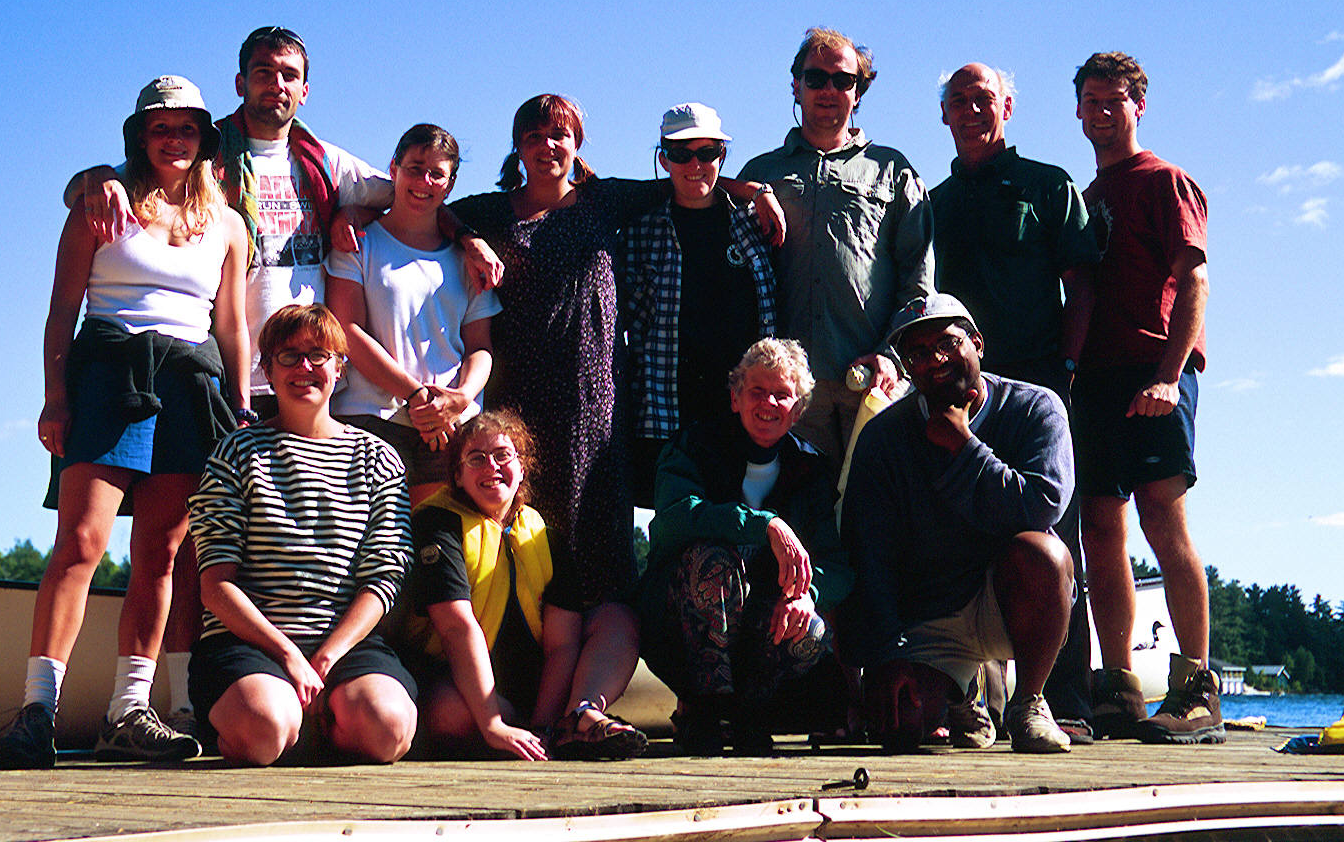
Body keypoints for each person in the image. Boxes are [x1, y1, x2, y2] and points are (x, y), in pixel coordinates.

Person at [65, 28, 497, 727]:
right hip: (217, 371)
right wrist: (90, 177)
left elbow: (413, 194)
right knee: (194, 546)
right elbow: (106, 182)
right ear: (240, 83)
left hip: (310, 377)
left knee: (324, 543)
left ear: (306, 87)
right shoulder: (203, 147)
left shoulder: (326, 161)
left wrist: (464, 232)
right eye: (264, 72)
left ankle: (341, 694)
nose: (277, 85)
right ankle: (184, 699)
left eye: (289, 74)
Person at [447, 94, 784, 752]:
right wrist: (468, 240)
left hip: (599, 419)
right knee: (529, 566)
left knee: (603, 576)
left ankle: (584, 711)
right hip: (518, 419)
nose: (549, 146)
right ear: (518, 146)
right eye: (536, 136)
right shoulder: (491, 211)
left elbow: (687, 179)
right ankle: (522, 707)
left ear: (579, 144)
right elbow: (435, 207)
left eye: (562, 135)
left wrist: (753, 190)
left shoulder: (604, 201)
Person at [0, 76, 251, 769]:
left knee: (161, 553)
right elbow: (61, 311)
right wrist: (55, 397)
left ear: (205, 140)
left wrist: (240, 405)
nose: (174, 140)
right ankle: (37, 711)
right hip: (110, 371)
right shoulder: (100, 202)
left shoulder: (227, 222)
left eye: (186, 128)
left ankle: (128, 710)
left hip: (192, 382)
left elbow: (231, 325)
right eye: (160, 127)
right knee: (80, 541)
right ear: (139, 136)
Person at [928, 62, 1099, 742]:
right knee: (957, 532)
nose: (971, 110)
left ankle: (1065, 700)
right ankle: (970, 699)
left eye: (984, 99)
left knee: (1055, 535)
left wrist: (1067, 369)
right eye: (958, 101)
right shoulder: (933, 201)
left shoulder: (1047, 186)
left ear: (1007, 107)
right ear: (943, 114)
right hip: (957, 392)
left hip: (1036, 387)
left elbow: (1082, 284)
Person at [844, 294, 1075, 755]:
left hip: (1009, 602)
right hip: (930, 617)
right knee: (900, 725)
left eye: (947, 343)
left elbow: (1041, 506)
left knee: (1045, 554)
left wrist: (964, 446)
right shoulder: (882, 436)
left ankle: (1029, 702)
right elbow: (867, 551)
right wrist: (890, 653)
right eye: (917, 354)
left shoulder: (1036, 408)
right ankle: (964, 693)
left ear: (978, 343)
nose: (935, 360)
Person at [187, 304, 416, 766]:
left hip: (345, 646)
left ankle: (320, 725)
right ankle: (275, 725)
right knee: (263, 726)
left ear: (339, 367)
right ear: (268, 371)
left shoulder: (378, 457)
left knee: (389, 728)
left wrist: (327, 657)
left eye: (318, 355)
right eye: (288, 356)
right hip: (248, 646)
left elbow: (383, 579)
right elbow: (215, 586)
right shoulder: (235, 453)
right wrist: (288, 655)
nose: (304, 367)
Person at [1071, 52, 1219, 744]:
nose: (1102, 111)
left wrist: (1168, 375)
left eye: (1115, 100)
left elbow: (1194, 281)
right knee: (1100, 526)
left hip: (1155, 369)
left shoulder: (1166, 181)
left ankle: (1196, 689)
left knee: (1162, 517)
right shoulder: (1087, 197)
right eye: (1091, 101)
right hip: (1096, 377)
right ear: (1078, 111)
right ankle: (1119, 688)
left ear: (1139, 106)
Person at [639, 339, 850, 756]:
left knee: (812, 627)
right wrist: (764, 524)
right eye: (757, 391)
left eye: (782, 394)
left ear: (798, 410)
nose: (769, 403)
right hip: (676, 626)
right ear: (735, 399)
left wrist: (808, 595)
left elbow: (837, 564)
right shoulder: (692, 446)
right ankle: (705, 710)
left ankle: (750, 713)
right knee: (715, 560)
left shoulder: (811, 469)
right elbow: (673, 520)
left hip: (759, 631)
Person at [739, 27, 933, 471]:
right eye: (815, 78)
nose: (828, 89)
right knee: (796, 509)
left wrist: (892, 357)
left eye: (843, 80)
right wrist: (746, 188)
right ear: (796, 86)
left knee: (875, 506)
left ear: (858, 92)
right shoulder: (760, 172)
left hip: (871, 385)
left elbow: (918, 281)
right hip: (785, 391)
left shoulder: (894, 170)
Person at [407, 411, 640, 760]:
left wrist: (543, 724)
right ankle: (519, 729)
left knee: (617, 619)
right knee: (448, 714)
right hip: (458, 676)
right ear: (457, 475)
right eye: (476, 459)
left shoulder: (546, 536)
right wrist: (492, 724)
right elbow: (456, 628)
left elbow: (562, 645)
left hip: (537, 683)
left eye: (502, 455)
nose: (491, 466)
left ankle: (579, 714)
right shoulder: (436, 524)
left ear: (522, 467)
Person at [325, 124, 499, 505]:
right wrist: (415, 396)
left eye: (437, 173)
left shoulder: (467, 261)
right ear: (394, 169)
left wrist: (460, 398)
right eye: (415, 169)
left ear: (450, 184)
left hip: (449, 429)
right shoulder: (356, 243)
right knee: (373, 540)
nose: (424, 182)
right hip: (371, 419)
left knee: (436, 540)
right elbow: (347, 330)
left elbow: (480, 347)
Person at [621, 103, 777, 510]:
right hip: (669, 410)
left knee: (748, 526)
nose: (695, 165)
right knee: (678, 527)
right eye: (681, 154)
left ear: (721, 157)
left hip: (747, 409)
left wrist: (759, 192)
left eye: (707, 153)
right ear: (663, 159)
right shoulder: (640, 230)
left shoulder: (753, 222)